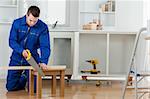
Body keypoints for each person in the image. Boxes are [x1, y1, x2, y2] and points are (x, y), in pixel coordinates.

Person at [6, 6, 50, 91]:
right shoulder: (17, 23)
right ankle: (24, 77)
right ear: (27, 15)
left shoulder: (43, 27)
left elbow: (45, 46)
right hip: (17, 58)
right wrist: (21, 51)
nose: (32, 23)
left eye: (35, 21)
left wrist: (43, 61)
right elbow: (12, 41)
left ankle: (28, 76)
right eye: (30, 20)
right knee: (10, 87)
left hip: (32, 59)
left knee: (34, 89)